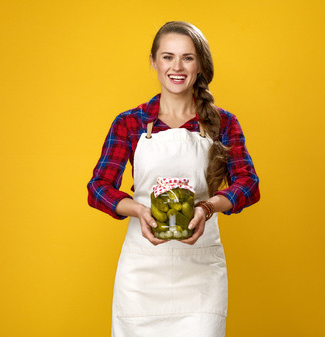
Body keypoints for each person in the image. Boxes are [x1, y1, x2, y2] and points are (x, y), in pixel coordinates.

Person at [87, 21, 260, 337]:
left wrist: (206, 208)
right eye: (167, 57)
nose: (177, 67)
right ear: (154, 61)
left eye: (187, 58)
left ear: (200, 65)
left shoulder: (223, 123)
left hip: (200, 273)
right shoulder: (130, 123)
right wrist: (138, 210)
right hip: (142, 274)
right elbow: (98, 188)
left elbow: (248, 183)